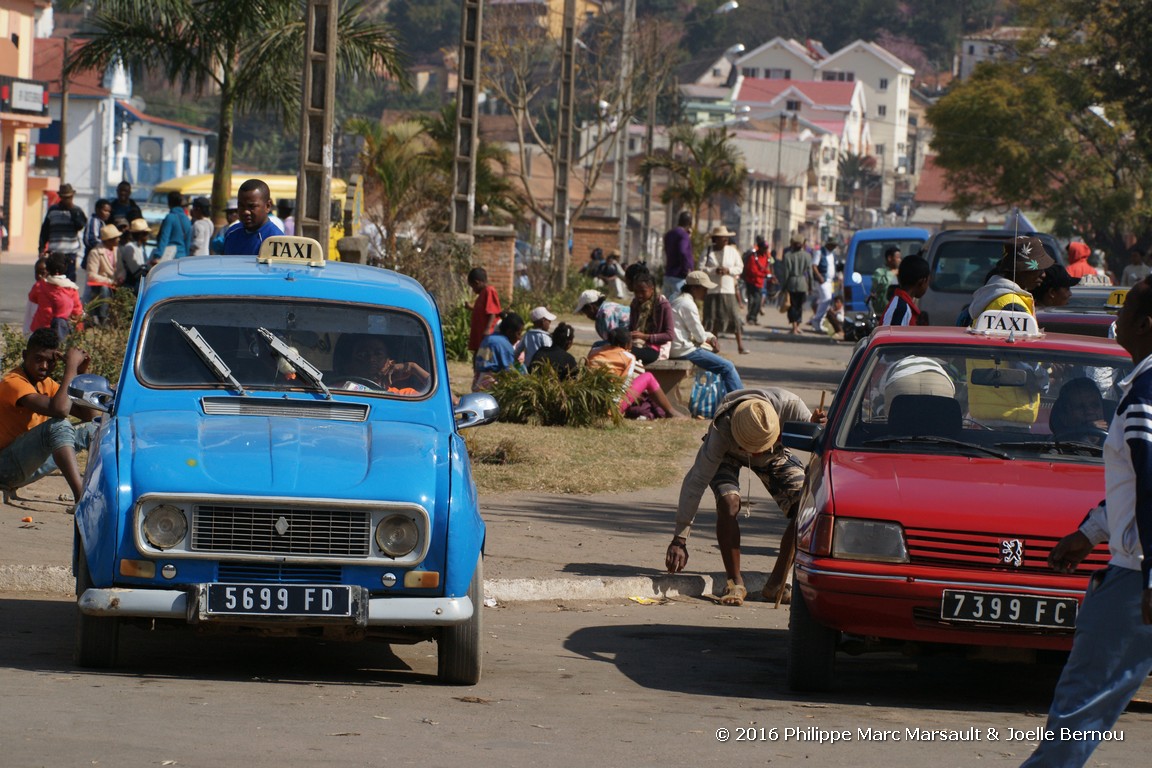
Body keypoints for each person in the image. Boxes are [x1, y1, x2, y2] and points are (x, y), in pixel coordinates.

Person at [1019, 279, 1152, 768]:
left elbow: (1150, 484)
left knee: (1080, 706)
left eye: (1127, 309)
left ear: (1145, 324)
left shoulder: (1145, 392)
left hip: (1136, 577)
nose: (1116, 320)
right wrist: (1091, 532)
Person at [665, 388, 827, 606]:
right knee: (728, 502)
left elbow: (816, 437)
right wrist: (680, 538)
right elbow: (696, 480)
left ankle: (776, 584)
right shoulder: (722, 429)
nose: (754, 452)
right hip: (728, 456)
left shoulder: (789, 405)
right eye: (750, 447)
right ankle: (734, 582)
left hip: (774, 454)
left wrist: (815, 427)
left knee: (806, 505)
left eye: (758, 446)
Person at [0, 329, 98, 505]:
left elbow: (89, 415)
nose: (44, 366)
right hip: (5, 466)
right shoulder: (13, 382)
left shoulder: (47, 384)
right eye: (38, 359)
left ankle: (95, 491)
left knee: (96, 429)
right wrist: (71, 369)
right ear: (24, 355)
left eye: (50, 362)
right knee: (58, 426)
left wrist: (81, 375)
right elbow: (59, 411)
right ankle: (82, 498)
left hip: (28, 467)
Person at [669, 271, 744, 395]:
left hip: (678, 346)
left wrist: (709, 337)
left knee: (724, 366)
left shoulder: (676, 297)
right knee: (728, 367)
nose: (706, 292)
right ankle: (741, 401)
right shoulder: (688, 304)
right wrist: (710, 338)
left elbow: (699, 334)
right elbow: (699, 337)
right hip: (684, 350)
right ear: (694, 288)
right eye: (704, 289)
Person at [588, 327, 682, 419]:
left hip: (591, 401)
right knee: (648, 377)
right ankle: (671, 412)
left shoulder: (594, 351)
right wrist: (611, 410)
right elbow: (624, 384)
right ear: (628, 344)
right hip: (611, 406)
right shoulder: (628, 357)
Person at [963, 235, 1055, 325]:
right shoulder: (1012, 307)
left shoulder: (994, 294)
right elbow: (1019, 340)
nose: (1043, 274)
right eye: (1038, 269)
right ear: (1020, 270)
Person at [701, 226, 749, 354]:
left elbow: (740, 267)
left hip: (728, 290)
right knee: (712, 319)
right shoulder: (708, 251)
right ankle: (712, 346)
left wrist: (728, 270)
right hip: (712, 289)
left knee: (734, 316)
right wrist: (713, 270)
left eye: (727, 238)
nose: (726, 240)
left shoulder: (732, 252)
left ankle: (740, 346)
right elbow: (701, 267)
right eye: (723, 238)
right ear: (716, 239)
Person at [332, 334, 431, 396]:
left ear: (390, 363)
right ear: (349, 365)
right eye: (362, 355)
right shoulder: (339, 390)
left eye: (378, 354)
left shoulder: (403, 395)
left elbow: (439, 395)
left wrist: (413, 367)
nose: (371, 359)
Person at [28, 252, 83, 341]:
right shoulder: (71, 288)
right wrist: (79, 329)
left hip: (40, 327)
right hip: (60, 330)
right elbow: (77, 311)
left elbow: (32, 297)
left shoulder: (40, 286)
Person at [38, 184, 87, 283]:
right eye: (64, 197)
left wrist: (72, 210)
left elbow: (80, 225)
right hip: (55, 252)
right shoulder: (53, 210)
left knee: (69, 281)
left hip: (70, 253)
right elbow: (45, 230)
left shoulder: (77, 211)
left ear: (72, 197)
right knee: (53, 281)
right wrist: (41, 248)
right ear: (60, 197)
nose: (66, 200)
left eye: (68, 197)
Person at [222, 179, 282, 256]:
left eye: (252, 206)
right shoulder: (231, 233)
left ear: (268, 206)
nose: (245, 212)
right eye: (241, 206)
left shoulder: (276, 240)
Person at [628, 272, 675, 365]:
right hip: (635, 344)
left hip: (654, 349)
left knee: (623, 352)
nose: (639, 295)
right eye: (636, 292)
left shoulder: (663, 305)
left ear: (652, 289)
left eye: (643, 291)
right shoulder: (635, 304)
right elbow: (631, 327)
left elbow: (670, 335)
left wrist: (645, 337)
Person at [473, 312, 525, 391]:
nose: (519, 338)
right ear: (510, 332)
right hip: (491, 385)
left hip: (479, 381)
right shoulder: (504, 344)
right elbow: (510, 370)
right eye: (518, 334)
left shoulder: (490, 338)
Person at [83, 224, 120, 325]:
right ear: (109, 239)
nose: (118, 239)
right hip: (101, 286)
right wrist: (109, 281)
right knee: (104, 290)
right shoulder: (95, 252)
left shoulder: (117, 250)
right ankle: (103, 319)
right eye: (116, 237)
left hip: (116, 283)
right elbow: (91, 275)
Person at [881, 254, 931, 326]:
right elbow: (891, 336)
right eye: (928, 281)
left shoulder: (903, 306)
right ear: (922, 281)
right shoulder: (901, 309)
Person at [467, 266, 502, 358]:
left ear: (477, 283)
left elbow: (492, 312)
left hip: (486, 335)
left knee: (485, 359)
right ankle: (478, 371)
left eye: (473, 287)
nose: (473, 290)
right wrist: (471, 307)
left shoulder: (489, 291)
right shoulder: (482, 294)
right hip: (479, 336)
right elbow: (483, 310)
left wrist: (487, 329)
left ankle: (483, 372)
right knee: (478, 357)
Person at [778, 238, 810, 335]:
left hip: (791, 283)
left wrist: (783, 286)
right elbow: (810, 273)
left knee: (792, 305)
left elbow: (786, 273)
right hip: (802, 283)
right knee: (799, 306)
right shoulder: (807, 256)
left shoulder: (788, 256)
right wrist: (811, 286)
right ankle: (798, 326)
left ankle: (794, 327)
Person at [810, 238, 839, 333]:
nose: (834, 247)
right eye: (833, 245)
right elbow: (814, 266)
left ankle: (819, 322)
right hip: (823, 280)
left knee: (827, 302)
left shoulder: (832, 254)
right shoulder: (819, 252)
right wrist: (819, 277)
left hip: (830, 281)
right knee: (826, 299)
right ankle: (816, 320)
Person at [663, 211, 695, 296]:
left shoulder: (669, 234)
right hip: (679, 276)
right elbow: (683, 251)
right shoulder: (683, 235)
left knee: (668, 306)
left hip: (668, 274)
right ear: (690, 223)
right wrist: (686, 269)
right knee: (678, 304)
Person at [115, 218, 150, 294]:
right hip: (131, 285)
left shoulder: (140, 247)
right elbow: (136, 273)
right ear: (141, 234)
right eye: (146, 233)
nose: (148, 236)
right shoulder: (129, 248)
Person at [742, 236, 771, 326]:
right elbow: (752, 271)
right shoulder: (753, 257)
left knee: (758, 301)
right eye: (764, 248)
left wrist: (770, 275)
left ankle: (753, 318)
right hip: (751, 281)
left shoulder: (765, 256)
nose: (765, 250)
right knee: (753, 300)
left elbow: (765, 267)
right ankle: (750, 317)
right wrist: (764, 275)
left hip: (759, 282)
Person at [870, 246, 902, 317]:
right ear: (890, 258)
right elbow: (881, 285)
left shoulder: (901, 273)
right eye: (897, 257)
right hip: (882, 313)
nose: (900, 260)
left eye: (900, 257)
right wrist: (893, 273)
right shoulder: (879, 273)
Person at [82, 198, 112, 264]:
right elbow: (91, 239)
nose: (108, 213)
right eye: (105, 210)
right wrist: (106, 245)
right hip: (92, 256)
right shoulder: (94, 221)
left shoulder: (102, 222)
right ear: (97, 210)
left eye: (109, 211)